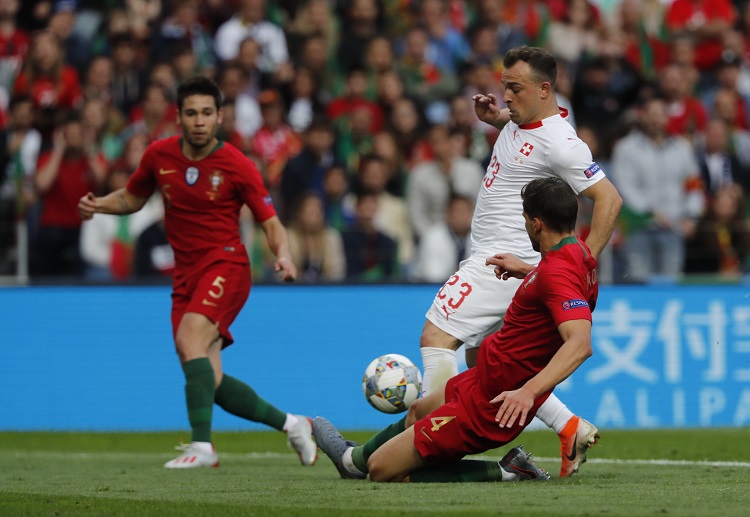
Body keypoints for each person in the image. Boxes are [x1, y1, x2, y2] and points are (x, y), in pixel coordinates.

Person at [78, 76, 317, 469]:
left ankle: (202, 447)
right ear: (179, 117)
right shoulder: (159, 156)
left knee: (190, 338)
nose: (199, 121)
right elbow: (133, 197)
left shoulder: (237, 164)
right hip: (185, 276)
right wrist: (98, 205)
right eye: (191, 113)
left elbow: (271, 222)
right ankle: (294, 425)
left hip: (226, 265)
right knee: (211, 382)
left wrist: (285, 256)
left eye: (207, 113)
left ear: (219, 117)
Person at [416, 46, 622, 478]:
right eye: (503, 86)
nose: (506, 96)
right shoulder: (523, 121)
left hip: (501, 262)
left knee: (437, 335)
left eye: (515, 89)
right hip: (502, 260)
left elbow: (609, 199)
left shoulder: (563, 144)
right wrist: (494, 119)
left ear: (544, 89)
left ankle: (426, 438)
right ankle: (569, 427)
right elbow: (520, 132)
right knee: (486, 363)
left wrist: (580, 262)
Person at [313, 176, 598, 483]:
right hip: (483, 378)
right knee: (418, 411)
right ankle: (353, 460)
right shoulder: (578, 254)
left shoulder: (556, 272)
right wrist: (529, 273)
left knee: (383, 471)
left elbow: (580, 343)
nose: (525, 225)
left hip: (491, 406)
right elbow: (565, 286)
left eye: (526, 219)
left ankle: (508, 471)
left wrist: (528, 392)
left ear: (537, 224)